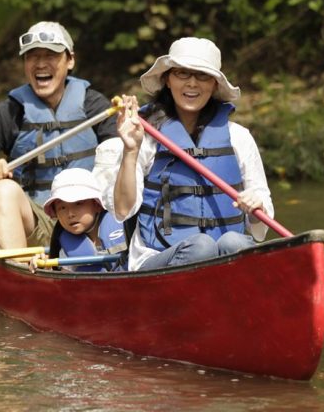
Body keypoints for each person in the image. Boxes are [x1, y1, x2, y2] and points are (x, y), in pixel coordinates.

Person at [0, 21, 117, 250]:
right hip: (39, 223)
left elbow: (122, 157)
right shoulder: (10, 113)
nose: (40, 63)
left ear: (70, 60)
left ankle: (111, 251)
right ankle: (21, 267)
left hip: (91, 221)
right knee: (1, 189)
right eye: (32, 56)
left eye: (50, 55)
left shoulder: (94, 106)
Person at [98, 37, 274, 271]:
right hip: (157, 257)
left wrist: (256, 205)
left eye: (202, 75)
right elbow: (122, 209)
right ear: (167, 80)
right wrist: (131, 150)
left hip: (224, 257)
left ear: (214, 85)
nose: (192, 83)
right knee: (201, 247)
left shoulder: (239, 137)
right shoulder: (145, 136)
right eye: (182, 73)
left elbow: (262, 223)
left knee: (236, 242)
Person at [43, 168, 128, 272]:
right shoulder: (63, 250)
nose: (70, 214)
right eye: (62, 208)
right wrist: (45, 266)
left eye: (78, 203)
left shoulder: (127, 226)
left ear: (97, 205)